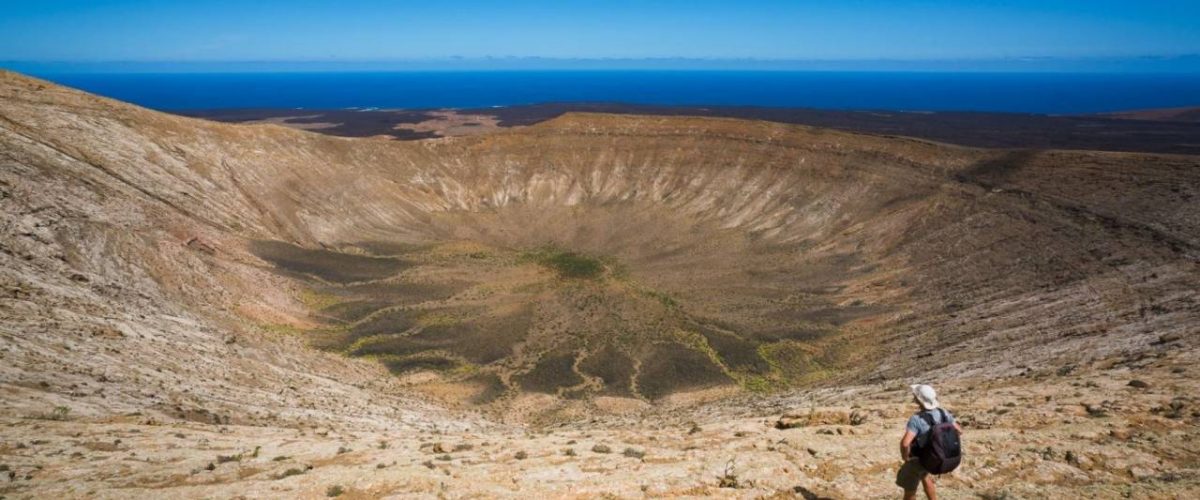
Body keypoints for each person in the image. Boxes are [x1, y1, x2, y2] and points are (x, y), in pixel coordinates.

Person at [897, 384, 962, 500]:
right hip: (935, 457)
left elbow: (905, 443)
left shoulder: (916, 419)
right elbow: (959, 431)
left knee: (910, 490)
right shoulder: (943, 413)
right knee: (925, 476)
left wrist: (906, 457)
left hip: (921, 458)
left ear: (919, 400)